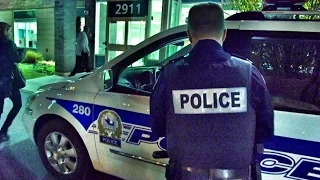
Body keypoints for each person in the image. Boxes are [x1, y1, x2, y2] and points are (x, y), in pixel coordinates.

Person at [150, 3, 274, 180]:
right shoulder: (249, 73)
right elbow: (266, 131)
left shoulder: (169, 75)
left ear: (189, 35)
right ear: (224, 34)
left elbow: (158, 128)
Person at [0, 22, 25, 143]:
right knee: (18, 104)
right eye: (8, 31)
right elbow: (17, 58)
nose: (10, 33)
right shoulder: (8, 44)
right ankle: (3, 131)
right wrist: (23, 51)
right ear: (4, 31)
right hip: (8, 82)